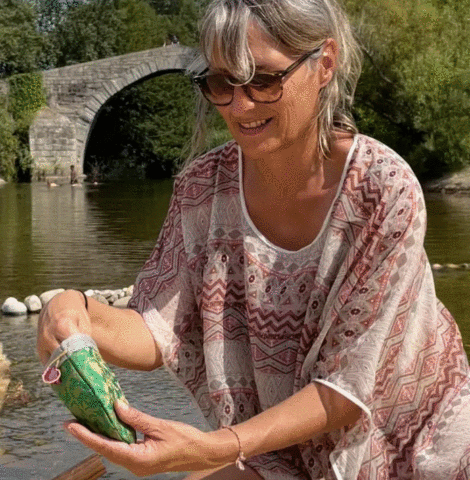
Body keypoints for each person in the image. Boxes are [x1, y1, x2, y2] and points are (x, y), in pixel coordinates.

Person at [37, 0, 470, 478]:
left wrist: (218, 447)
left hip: (416, 449)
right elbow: (157, 326)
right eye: (221, 83)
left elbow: (349, 388)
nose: (238, 106)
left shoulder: (383, 191)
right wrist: (76, 312)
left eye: (263, 80)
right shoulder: (202, 188)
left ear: (324, 64)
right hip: (283, 451)